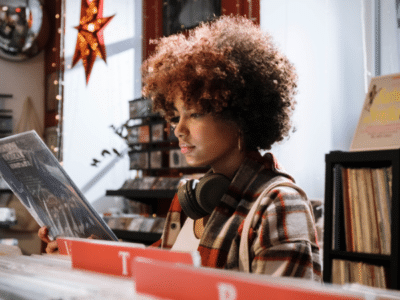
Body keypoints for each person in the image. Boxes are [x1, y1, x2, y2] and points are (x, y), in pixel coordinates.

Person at [39, 15, 321, 280]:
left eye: (195, 114)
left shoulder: (279, 205)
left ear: (240, 117)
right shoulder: (189, 200)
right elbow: (149, 272)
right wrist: (81, 253)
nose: (178, 129)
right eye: (175, 116)